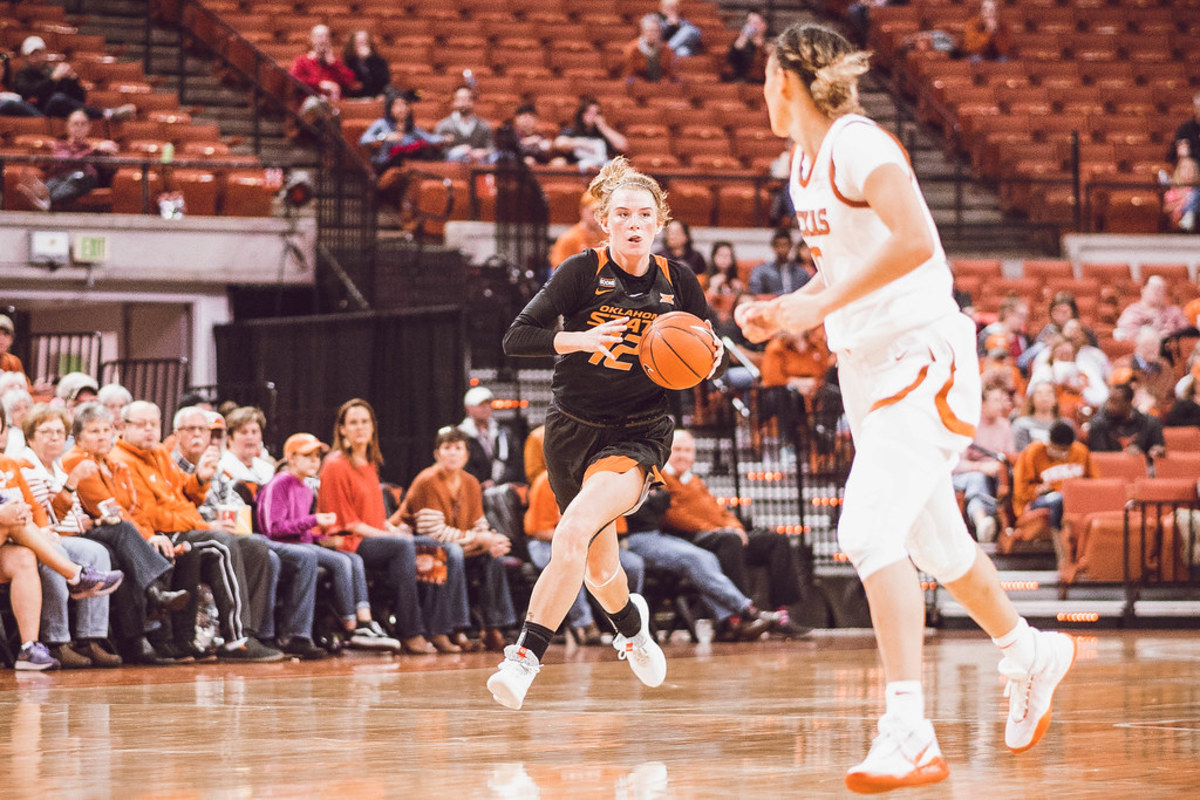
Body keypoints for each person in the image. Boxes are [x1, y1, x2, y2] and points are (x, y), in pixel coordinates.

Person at [734, 24, 1076, 792]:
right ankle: (1029, 649)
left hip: (922, 357)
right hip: (869, 367)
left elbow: (917, 240)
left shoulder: (857, 143)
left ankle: (908, 730)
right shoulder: (802, 166)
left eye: (766, 79)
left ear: (787, 80)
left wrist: (813, 309)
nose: (763, 93)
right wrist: (788, 308)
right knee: (940, 550)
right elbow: (846, 266)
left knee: (865, 530)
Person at [488, 156, 726, 710]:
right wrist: (579, 340)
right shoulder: (581, 272)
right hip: (571, 430)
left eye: (644, 214)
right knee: (599, 568)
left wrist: (710, 358)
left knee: (570, 533)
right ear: (605, 220)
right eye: (622, 214)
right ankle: (632, 629)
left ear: (659, 221)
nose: (633, 223)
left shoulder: (678, 281)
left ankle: (523, 659)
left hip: (638, 432)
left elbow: (703, 350)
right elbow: (516, 337)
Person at [113, 401, 284, 662]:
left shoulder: (159, 453)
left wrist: (200, 480)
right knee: (221, 542)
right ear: (124, 427)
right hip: (161, 534)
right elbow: (153, 516)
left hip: (186, 527)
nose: (149, 430)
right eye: (141, 424)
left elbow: (185, 492)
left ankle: (248, 632)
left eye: (153, 424)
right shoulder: (121, 460)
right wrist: (204, 526)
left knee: (255, 547)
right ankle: (236, 638)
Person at [317, 398, 470, 654]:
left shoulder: (369, 462)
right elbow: (348, 522)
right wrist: (389, 534)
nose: (359, 427)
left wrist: (391, 529)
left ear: (373, 427)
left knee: (439, 549)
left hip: (375, 537)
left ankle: (440, 630)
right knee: (402, 547)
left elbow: (374, 516)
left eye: (364, 422)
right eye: (353, 423)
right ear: (342, 429)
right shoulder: (335, 464)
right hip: (349, 541)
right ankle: (411, 631)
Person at [61, 402, 193, 665]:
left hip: (109, 531)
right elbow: (106, 509)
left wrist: (148, 535)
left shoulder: (111, 463)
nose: (102, 436)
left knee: (126, 555)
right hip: (82, 531)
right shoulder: (77, 460)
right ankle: (154, 595)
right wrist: (146, 536)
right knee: (123, 535)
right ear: (78, 437)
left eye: (106, 430)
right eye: (94, 431)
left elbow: (130, 509)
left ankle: (143, 639)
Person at [256, 432, 400, 652]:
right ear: (291, 458)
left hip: (300, 545)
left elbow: (302, 533)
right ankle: (351, 627)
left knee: (352, 558)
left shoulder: (305, 488)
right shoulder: (280, 483)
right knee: (340, 562)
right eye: (307, 456)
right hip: (280, 546)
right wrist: (314, 520)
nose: (315, 461)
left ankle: (364, 621)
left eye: (317, 456)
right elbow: (274, 529)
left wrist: (324, 539)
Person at [660, 430, 807, 631]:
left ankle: (781, 615)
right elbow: (672, 515)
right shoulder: (661, 478)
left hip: (718, 535)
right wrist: (718, 529)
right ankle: (742, 614)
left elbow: (720, 511)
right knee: (729, 540)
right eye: (677, 450)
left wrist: (735, 526)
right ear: (666, 451)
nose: (682, 455)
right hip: (689, 539)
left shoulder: (693, 480)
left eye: (687, 450)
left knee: (775, 541)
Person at [15, 405, 121, 667]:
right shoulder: (26, 466)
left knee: (98, 552)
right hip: (41, 537)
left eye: (60, 432)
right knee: (56, 554)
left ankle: (90, 638)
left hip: (68, 534)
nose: (54, 437)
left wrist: (91, 520)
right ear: (30, 436)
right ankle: (57, 641)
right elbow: (47, 516)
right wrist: (71, 483)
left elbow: (71, 515)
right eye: (46, 432)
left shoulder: (57, 468)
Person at [397, 426, 517, 652]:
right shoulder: (427, 480)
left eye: (458, 448)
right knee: (452, 552)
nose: (453, 453)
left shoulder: (471, 482)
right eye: (447, 448)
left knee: (492, 556)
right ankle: (453, 629)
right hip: (421, 546)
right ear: (437, 453)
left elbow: (479, 524)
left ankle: (494, 629)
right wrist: (479, 539)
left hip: (459, 545)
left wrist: (490, 540)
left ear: (467, 454)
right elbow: (433, 532)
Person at [523, 469, 644, 646]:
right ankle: (584, 624)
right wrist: (577, 538)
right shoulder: (546, 480)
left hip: (593, 540)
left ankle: (626, 622)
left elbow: (617, 528)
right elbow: (538, 530)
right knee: (571, 562)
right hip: (546, 542)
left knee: (633, 564)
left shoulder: (604, 479)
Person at [12, 36, 135, 121]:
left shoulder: (52, 71)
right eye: (33, 55)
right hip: (36, 113)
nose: (37, 58)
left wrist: (73, 80)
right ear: (26, 58)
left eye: (40, 54)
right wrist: (53, 79)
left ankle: (107, 114)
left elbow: (78, 99)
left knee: (60, 99)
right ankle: (107, 113)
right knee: (57, 99)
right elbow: (31, 93)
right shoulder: (22, 75)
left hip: (61, 114)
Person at [1012, 421, 1095, 545]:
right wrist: (1037, 490)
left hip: (1073, 498)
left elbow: (1094, 483)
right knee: (1059, 500)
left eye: (1066, 450)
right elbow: (1020, 492)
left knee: (1069, 500)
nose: (1062, 454)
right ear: (1049, 443)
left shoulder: (1081, 451)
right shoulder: (1033, 453)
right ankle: (1061, 550)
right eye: (1058, 450)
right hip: (1040, 500)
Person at [18, 109, 118, 211]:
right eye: (75, 124)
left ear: (89, 127)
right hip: (62, 178)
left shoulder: (95, 148)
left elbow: (109, 168)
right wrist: (93, 150)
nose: (79, 127)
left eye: (83, 124)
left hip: (84, 179)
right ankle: (42, 194)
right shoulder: (61, 146)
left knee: (82, 177)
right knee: (55, 181)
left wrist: (109, 153)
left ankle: (46, 200)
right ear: (68, 127)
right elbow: (65, 161)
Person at [951, 386, 1015, 543]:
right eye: (996, 400)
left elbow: (1010, 457)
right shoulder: (969, 425)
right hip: (964, 477)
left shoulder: (1005, 426)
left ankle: (994, 526)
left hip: (996, 476)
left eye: (1002, 400)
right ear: (982, 404)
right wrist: (981, 468)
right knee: (977, 479)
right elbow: (955, 464)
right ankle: (981, 522)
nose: (1001, 405)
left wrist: (999, 467)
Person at [359, 87, 442, 175]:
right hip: (386, 164)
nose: (402, 108)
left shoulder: (411, 128)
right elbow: (364, 140)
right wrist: (384, 137)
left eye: (404, 104)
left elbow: (429, 138)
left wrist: (445, 138)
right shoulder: (381, 124)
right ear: (390, 108)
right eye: (397, 105)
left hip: (406, 164)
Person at [459, 386, 525, 489]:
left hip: (502, 488)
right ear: (468, 408)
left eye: (488, 404)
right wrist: (480, 483)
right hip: (472, 488)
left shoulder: (503, 433)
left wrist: (497, 482)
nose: (485, 408)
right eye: (480, 405)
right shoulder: (461, 436)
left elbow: (515, 462)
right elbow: (461, 465)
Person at [1085, 382, 1166, 460]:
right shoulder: (1098, 425)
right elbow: (1099, 458)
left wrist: (1154, 451)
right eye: (1109, 400)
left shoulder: (1150, 423)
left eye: (1115, 402)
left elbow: (1158, 447)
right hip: (1111, 468)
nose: (1109, 406)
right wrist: (1124, 455)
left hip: (1140, 467)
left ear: (1128, 403)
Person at [555, 97, 628, 171]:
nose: (593, 116)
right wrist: (580, 143)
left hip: (601, 167)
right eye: (589, 113)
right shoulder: (573, 131)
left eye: (596, 113)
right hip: (579, 166)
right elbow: (559, 143)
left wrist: (603, 127)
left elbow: (623, 146)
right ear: (582, 114)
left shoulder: (602, 132)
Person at [290, 24, 355, 103]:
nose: (323, 40)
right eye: (319, 37)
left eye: (326, 36)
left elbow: (349, 81)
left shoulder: (336, 62)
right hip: (311, 101)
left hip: (334, 103)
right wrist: (320, 84)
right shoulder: (302, 60)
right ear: (312, 39)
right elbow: (294, 80)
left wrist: (334, 64)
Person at [1115, 275, 1189, 341]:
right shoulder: (1132, 313)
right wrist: (1157, 336)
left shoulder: (1175, 311)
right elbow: (1129, 336)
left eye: (1161, 290)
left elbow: (1186, 333)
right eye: (1154, 289)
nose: (1158, 293)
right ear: (1143, 290)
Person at [433, 85, 494, 164]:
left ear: (473, 102)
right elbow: (438, 153)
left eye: (467, 99)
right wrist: (458, 151)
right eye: (460, 99)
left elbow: (491, 149)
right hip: (452, 167)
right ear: (454, 102)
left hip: (477, 166)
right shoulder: (443, 126)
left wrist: (484, 152)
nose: (464, 102)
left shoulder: (484, 126)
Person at [494, 104, 566, 167]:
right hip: (517, 165)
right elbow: (506, 152)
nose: (527, 120)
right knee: (528, 161)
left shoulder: (541, 135)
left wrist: (549, 147)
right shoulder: (510, 134)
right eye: (524, 116)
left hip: (540, 164)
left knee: (560, 162)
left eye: (531, 116)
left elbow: (547, 153)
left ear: (536, 120)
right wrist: (525, 142)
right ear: (516, 119)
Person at [549, 192, 606, 270]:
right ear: (582, 210)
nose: (597, 217)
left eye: (601, 212)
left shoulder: (608, 237)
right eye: (593, 212)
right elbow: (559, 271)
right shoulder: (569, 239)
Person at [748, 229, 809, 296]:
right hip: (771, 301)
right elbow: (755, 293)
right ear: (773, 246)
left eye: (785, 245)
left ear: (791, 246)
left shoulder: (801, 272)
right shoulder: (761, 271)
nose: (782, 249)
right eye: (778, 245)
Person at [1011, 381, 1067, 452]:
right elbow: (1020, 452)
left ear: (1055, 399)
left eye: (1048, 394)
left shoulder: (1065, 425)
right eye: (1039, 394)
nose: (1044, 398)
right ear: (1032, 399)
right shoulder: (1021, 424)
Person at [622, 15, 676, 84]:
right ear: (642, 31)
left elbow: (670, 75)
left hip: (661, 87)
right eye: (649, 31)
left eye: (656, 31)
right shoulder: (632, 50)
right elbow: (628, 76)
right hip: (639, 86)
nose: (652, 34)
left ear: (660, 32)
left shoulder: (667, 50)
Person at [342, 30, 390, 100]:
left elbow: (382, 81)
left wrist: (368, 60)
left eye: (365, 42)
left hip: (375, 96)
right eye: (359, 42)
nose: (363, 45)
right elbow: (350, 83)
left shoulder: (379, 61)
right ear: (353, 45)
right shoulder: (347, 62)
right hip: (354, 97)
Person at [723, 11, 769, 83]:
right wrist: (743, 38)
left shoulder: (769, 41)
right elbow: (732, 57)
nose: (752, 26)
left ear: (764, 25)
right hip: (746, 81)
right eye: (749, 23)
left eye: (755, 23)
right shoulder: (744, 43)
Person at [1163, 151, 1198, 232]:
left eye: (1192, 169)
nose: (1189, 172)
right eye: (1185, 168)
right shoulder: (1172, 191)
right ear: (1179, 171)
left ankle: (1188, 218)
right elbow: (1166, 209)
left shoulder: (1196, 191)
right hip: (1175, 226)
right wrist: (1181, 202)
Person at [1166, 91, 1200, 168]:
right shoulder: (1185, 130)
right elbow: (1175, 154)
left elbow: (1189, 151)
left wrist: (1191, 151)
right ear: (1195, 109)